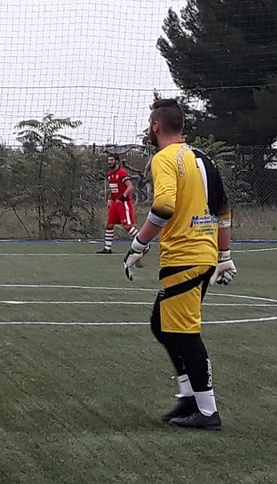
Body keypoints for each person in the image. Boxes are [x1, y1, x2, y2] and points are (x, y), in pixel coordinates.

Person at [123, 99, 236, 430]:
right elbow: (223, 209)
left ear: (155, 125)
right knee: (161, 324)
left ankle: (206, 410)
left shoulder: (164, 159)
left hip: (185, 255)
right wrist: (223, 256)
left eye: (149, 123)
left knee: (185, 334)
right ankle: (189, 397)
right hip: (200, 254)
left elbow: (163, 206)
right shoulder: (203, 158)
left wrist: (138, 244)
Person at [96, 153, 139, 254]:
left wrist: (122, 197)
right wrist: (110, 200)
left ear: (117, 161)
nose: (109, 162)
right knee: (109, 224)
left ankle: (143, 243)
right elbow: (113, 190)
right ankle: (107, 248)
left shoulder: (122, 173)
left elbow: (130, 187)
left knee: (127, 226)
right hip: (115, 203)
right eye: (108, 160)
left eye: (111, 160)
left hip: (123, 202)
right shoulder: (110, 174)